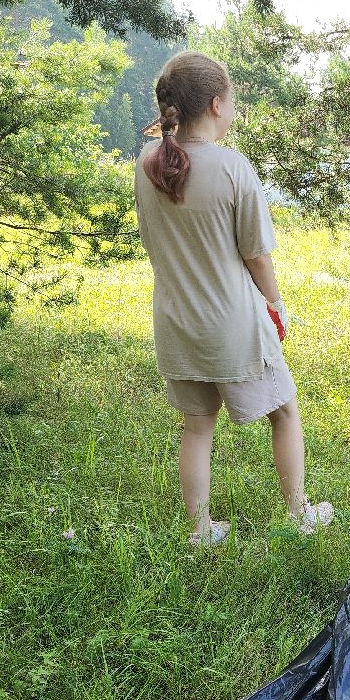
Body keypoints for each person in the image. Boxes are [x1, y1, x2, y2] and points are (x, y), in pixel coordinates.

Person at [135, 51, 332, 546]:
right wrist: (276, 304)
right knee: (284, 412)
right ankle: (299, 514)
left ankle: (200, 531)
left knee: (197, 425)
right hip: (233, 326)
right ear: (216, 105)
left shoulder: (146, 166)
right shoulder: (232, 168)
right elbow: (257, 257)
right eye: (233, 104)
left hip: (176, 322)